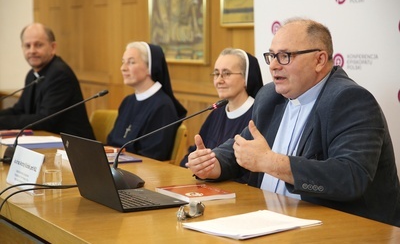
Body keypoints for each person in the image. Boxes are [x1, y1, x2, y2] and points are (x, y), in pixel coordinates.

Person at [186, 18, 400, 226]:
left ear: (319, 60)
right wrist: (213, 164)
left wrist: (270, 162)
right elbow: (244, 146)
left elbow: (350, 177)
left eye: (285, 56)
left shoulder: (350, 100)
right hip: (266, 218)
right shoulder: (270, 96)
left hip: (339, 228)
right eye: (272, 56)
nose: (274, 66)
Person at [180, 48, 264, 182]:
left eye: (226, 74)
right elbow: (196, 151)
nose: (219, 80)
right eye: (216, 74)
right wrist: (194, 162)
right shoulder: (217, 112)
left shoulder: (258, 115)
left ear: (245, 78)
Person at [0, 23, 95, 140]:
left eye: (38, 45)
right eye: (27, 46)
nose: (32, 50)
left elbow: (45, 120)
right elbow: (20, 109)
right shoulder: (32, 74)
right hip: (47, 142)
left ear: (53, 47)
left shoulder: (60, 73)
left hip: (73, 147)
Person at [107, 42, 187, 161]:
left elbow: (152, 156)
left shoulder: (163, 106)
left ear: (150, 67)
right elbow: (112, 142)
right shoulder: (128, 101)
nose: (123, 68)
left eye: (131, 62)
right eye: (123, 62)